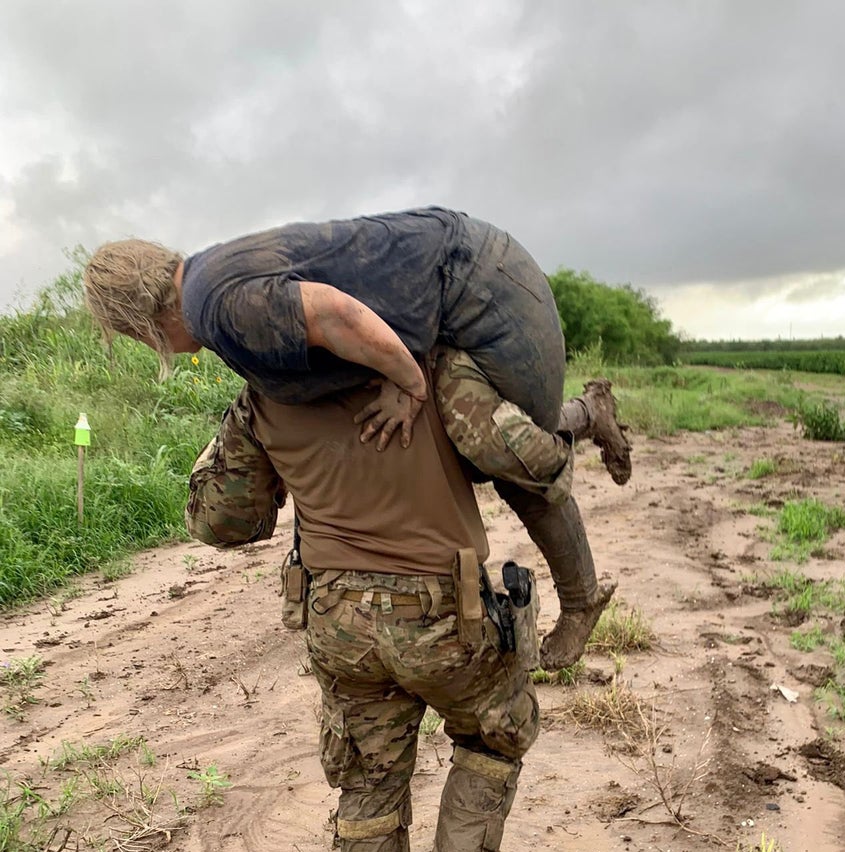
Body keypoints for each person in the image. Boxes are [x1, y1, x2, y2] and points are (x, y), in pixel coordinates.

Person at [186, 350, 576, 852]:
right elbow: (533, 463)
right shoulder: (433, 365)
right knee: (493, 738)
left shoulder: (269, 385)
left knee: (368, 776)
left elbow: (219, 520)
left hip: (337, 622)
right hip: (448, 619)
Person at [84, 210, 633, 667]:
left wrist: (410, 385)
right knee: (481, 441)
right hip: (461, 281)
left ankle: (582, 596)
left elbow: (332, 314)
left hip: (478, 282)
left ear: (139, 319)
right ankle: (588, 416)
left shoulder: (213, 304)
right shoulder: (210, 285)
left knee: (505, 452)